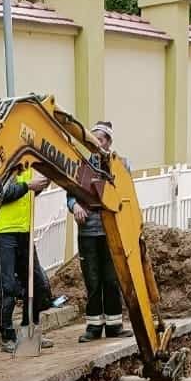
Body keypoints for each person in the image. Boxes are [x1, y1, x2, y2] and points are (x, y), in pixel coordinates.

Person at [67, 121, 131, 342]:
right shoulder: (82, 165)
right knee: (92, 280)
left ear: (109, 141)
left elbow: (125, 194)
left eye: (100, 139)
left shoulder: (120, 165)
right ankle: (94, 327)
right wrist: (74, 205)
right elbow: (71, 192)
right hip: (88, 233)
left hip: (111, 231)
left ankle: (114, 325)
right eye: (93, 139)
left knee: (111, 280)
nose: (96, 143)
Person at [0, 163, 55, 354]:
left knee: (38, 283)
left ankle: (29, 331)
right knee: (7, 286)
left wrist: (39, 187)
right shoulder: (1, 164)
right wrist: (29, 186)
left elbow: (26, 196)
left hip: (24, 230)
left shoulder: (27, 167)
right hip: (3, 231)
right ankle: (7, 336)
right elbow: (0, 193)